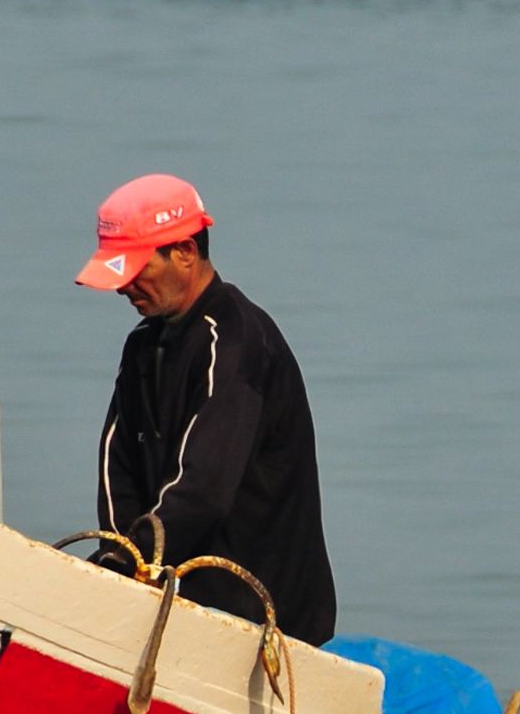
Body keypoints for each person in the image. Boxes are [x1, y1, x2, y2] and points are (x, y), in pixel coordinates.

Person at [76, 173, 337, 645]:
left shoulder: (235, 341)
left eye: (135, 270)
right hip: (177, 594)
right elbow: (118, 468)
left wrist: (144, 563)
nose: (123, 288)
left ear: (185, 253)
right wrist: (119, 560)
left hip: (262, 611)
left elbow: (205, 489)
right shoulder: (142, 345)